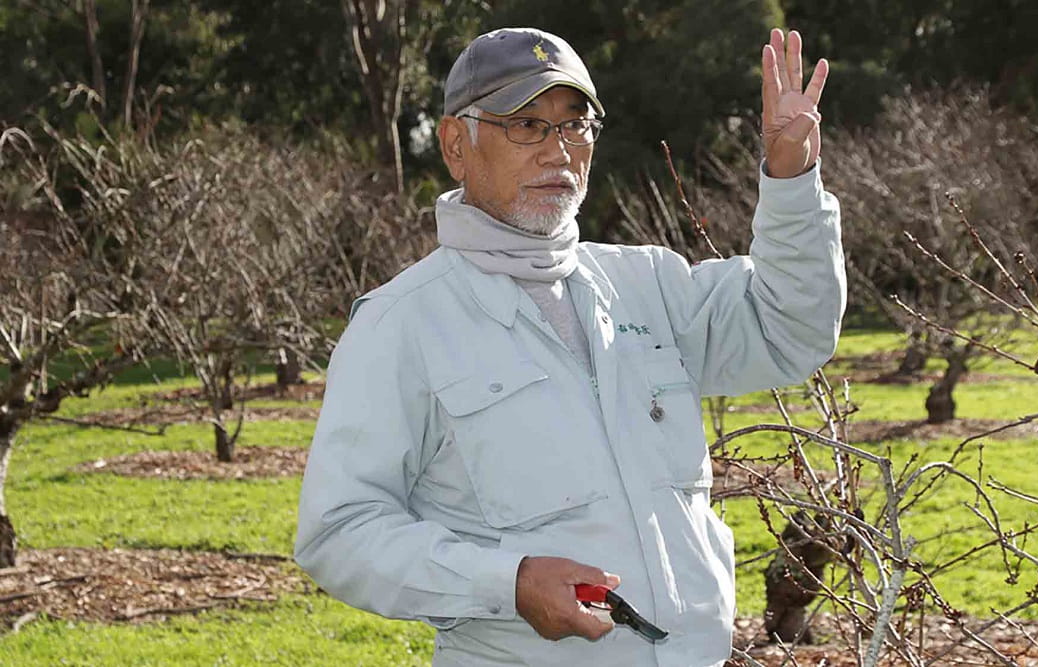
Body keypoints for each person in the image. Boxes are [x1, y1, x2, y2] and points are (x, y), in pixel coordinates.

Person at [295, 25, 844, 667]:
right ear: (455, 145)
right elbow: (339, 532)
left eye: (574, 125)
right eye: (525, 124)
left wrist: (791, 177)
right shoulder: (402, 323)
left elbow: (791, 328)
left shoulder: (648, 285)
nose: (557, 150)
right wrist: (509, 583)